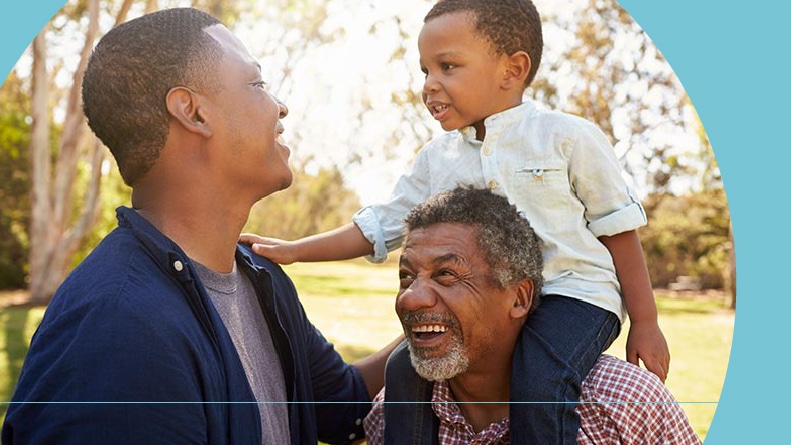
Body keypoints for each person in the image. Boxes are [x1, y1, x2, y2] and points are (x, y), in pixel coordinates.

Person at [240, 0, 669, 443]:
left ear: (512, 69)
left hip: (572, 296)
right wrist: (295, 250)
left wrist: (646, 322)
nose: (430, 85)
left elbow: (618, 231)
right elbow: (380, 225)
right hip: (488, 307)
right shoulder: (436, 160)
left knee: (541, 381)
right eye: (425, 70)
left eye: (447, 67)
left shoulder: (567, 138)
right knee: (401, 370)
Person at [1, 8, 399, 445]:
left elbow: (343, 404)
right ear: (193, 112)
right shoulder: (118, 329)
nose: (280, 106)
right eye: (257, 84)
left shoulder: (260, 277)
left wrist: (447, 322)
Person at [362, 186, 700, 445]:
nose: (410, 298)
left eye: (446, 275)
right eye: (406, 277)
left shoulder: (625, 404)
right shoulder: (394, 410)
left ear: (520, 297)